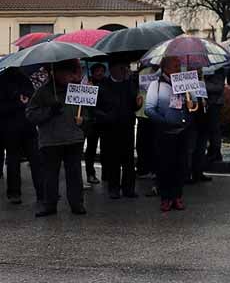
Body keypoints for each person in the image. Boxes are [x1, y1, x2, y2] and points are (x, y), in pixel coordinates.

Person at [25, 59, 88, 217]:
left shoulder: (77, 90)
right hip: (51, 140)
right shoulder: (43, 92)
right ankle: (49, 204)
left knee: (74, 174)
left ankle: (76, 203)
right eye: (65, 72)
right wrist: (49, 111)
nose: (68, 76)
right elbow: (30, 114)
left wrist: (83, 120)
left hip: (73, 138)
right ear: (56, 73)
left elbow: (87, 112)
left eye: (70, 72)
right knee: (50, 175)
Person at [143, 56, 193, 212]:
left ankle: (177, 197)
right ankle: (166, 198)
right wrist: (165, 122)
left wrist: (193, 104)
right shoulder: (155, 85)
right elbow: (149, 109)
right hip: (164, 132)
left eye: (179, 66)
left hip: (182, 131)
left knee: (181, 165)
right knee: (165, 166)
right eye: (175, 66)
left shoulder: (184, 84)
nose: (178, 69)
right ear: (165, 68)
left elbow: (194, 103)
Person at [95, 59, 140, 199]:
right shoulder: (102, 85)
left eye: (125, 68)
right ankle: (113, 188)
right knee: (112, 158)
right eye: (122, 68)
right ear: (113, 69)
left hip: (127, 125)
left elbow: (133, 104)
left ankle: (129, 188)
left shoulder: (129, 84)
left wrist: (137, 104)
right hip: (110, 127)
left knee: (128, 159)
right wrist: (106, 117)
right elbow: (95, 108)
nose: (124, 71)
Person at [2, 69, 43, 207]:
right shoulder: (23, 79)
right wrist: (22, 102)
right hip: (24, 126)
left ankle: (15, 193)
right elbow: (32, 99)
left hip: (12, 128)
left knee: (14, 160)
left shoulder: (5, 80)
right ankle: (41, 192)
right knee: (34, 160)